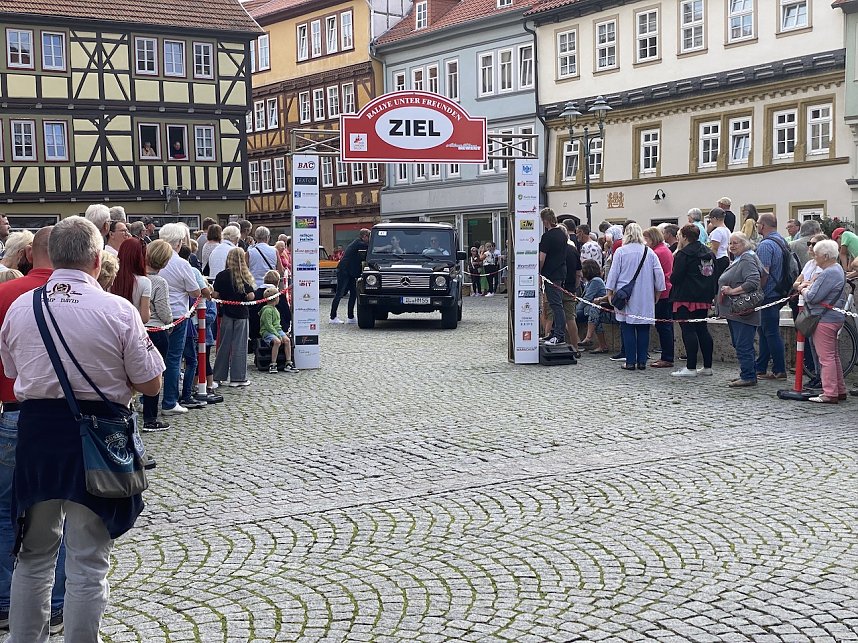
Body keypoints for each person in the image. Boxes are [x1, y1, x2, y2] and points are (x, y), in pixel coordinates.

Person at [0, 216, 163, 642]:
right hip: (98, 437)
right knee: (88, 560)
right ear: (96, 260)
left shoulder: (22, 307)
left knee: (32, 556)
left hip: (37, 435)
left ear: (52, 257)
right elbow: (151, 383)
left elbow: (13, 371)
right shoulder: (117, 310)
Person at [0, 227, 67, 637]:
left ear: (29, 253)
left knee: (6, 511)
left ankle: (5, 602)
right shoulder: (89, 299)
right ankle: (57, 606)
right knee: (61, 514)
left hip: (12, 413)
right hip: (64, 418)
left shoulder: (6, 295)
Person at [606, 223, 666, 370]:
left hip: (625, 295)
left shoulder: (621, 252)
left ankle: (630, 361)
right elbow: (659, 274)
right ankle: (642, 361)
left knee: (627, 328)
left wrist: (609, 291)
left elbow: (613, 273)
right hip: (645, 295)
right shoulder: (649, 252)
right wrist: (658, 292)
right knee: (643, 329)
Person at [157, 223, 202, 414]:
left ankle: (146, 399)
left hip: (155, 315)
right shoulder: (181, 264)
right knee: (174, 359)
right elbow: (195, 291)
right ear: (178, 242)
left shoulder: (152, 260)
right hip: (177, 314)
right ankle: (169, 401)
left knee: (154, 358)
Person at [799, 240, 848, 403]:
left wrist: (803, 289)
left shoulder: (828, 273)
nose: (815, 257)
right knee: (833, 356)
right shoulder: (838, 269)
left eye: (817, 255)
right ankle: (839, 389)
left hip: (824, 319)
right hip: (833, 317)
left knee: (826, 358)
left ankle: (830, 393)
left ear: (825, 256)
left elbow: (813, 297)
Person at [669, 224, 716, 377]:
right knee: (702, 329)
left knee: (688, 330)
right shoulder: (708, 252)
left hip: (685, 297)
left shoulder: (683, 254)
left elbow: (675, 278)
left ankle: (691, 367)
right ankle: (707, 366)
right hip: (703, 297)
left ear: (684, 237)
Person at [716, 233, 762, 387]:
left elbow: (753, 281)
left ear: (745, 243)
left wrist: (732, 291)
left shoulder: (747, 259)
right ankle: (748, 373)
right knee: (740, 344)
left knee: (743, 344)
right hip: (735, 311)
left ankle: (748, 376)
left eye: (736, 243)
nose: (732, 246)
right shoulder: (741, 258)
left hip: (743, 310)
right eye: (730, 243)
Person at [141, 240, 173, 432]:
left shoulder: (137, 278)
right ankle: (150, 418)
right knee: (155, 374)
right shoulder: (159, 282)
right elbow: (163, 310)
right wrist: (171, 321)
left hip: (139, 329)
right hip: (156, 330)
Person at [212, 248, 255, 386]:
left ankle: (218, 376)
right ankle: (238, 378)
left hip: (226, 313)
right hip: (241, 314)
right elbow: (251, 296)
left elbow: (215, 295)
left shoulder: (221, 275)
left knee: (224, 345)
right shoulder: (244, 275)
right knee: (239, 346)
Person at [754, 213, 788, 380]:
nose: (757, 227)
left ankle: (779, 370)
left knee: (771, 332)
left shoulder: (765, 245)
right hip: (779, 291)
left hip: (768, 294)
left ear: (763, 225)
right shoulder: (781, 240)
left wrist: (757, 291)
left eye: (757, 224)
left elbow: (764, 273)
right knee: (765, 331)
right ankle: (760, 367)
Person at [643, 226, 674, 369]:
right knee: (666, 325)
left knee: (663, 325)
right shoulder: (664, 250)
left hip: (662, 293)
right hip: (667, 290)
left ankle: (667, 357)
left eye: (646, 238)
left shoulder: (657, 252)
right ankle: (667, 355)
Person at [539, 208, 570, 346]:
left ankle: (559, 335)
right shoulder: (562, 234)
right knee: (554, 304)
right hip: (561, 272)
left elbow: (542, 258)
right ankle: (553, 332)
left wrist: (539, 272)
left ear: (545, 221)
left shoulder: (547, 236)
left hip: (551, 274)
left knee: (556, 305)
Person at [330, 229, 369, 324]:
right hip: (344, 271)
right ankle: (332, 317)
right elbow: (371, 247)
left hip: (350, 272)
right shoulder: (359, 243)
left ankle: (350, 317)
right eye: (369, 237)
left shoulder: (357, 243)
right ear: (364, 236)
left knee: (353, 293)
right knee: (340, 293)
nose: (369, 239)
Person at [110, 238, 151, 324]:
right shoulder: (145, 282)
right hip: (133, 326)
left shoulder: (110, 278)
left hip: (112, 324)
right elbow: (144, 318)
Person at [259, 286, 296, 374]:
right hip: (268, 331)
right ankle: (273, 363)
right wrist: (277, 335)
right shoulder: (267, 310)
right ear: (275, 298)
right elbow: (268, 325)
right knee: (277, 342)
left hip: (277, 330)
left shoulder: (275, 309)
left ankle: (288, 362)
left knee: (287, 340)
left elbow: (277, 325)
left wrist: (282, 333)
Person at [576, 259, 609, 353]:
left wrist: (575, 310)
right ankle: (601, 345)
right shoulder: (592, 281)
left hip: (595, 309)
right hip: (592, 310)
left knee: (569, 318)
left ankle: (580, 342)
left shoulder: (596, 281)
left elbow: (587, 299)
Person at [707, 208, 731, 281]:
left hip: (718, 259)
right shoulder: (727, 230)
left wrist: (711, 261)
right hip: (725, 257)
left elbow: (714, 248)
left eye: (710, 218)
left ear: (715, 218)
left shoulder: (717, 232)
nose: (710, 221)